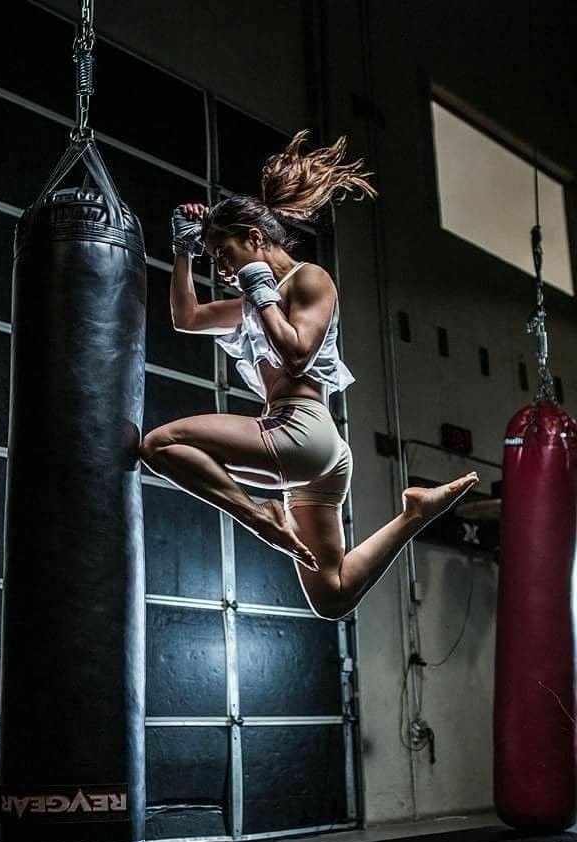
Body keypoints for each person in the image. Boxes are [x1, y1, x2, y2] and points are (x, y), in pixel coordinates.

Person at [139, 130, 478, 620]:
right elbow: (186, 317)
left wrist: (257, 286)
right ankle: (416, 513)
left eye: (224, 256)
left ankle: (261, 518)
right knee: (333, 595)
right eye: (214, 261)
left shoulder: (309, 279)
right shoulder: (256, 298)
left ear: (254, 238)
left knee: (159, 445)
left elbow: (296, 355)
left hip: (302, 431)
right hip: (317, 456)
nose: (224, 270)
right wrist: (183, 252)